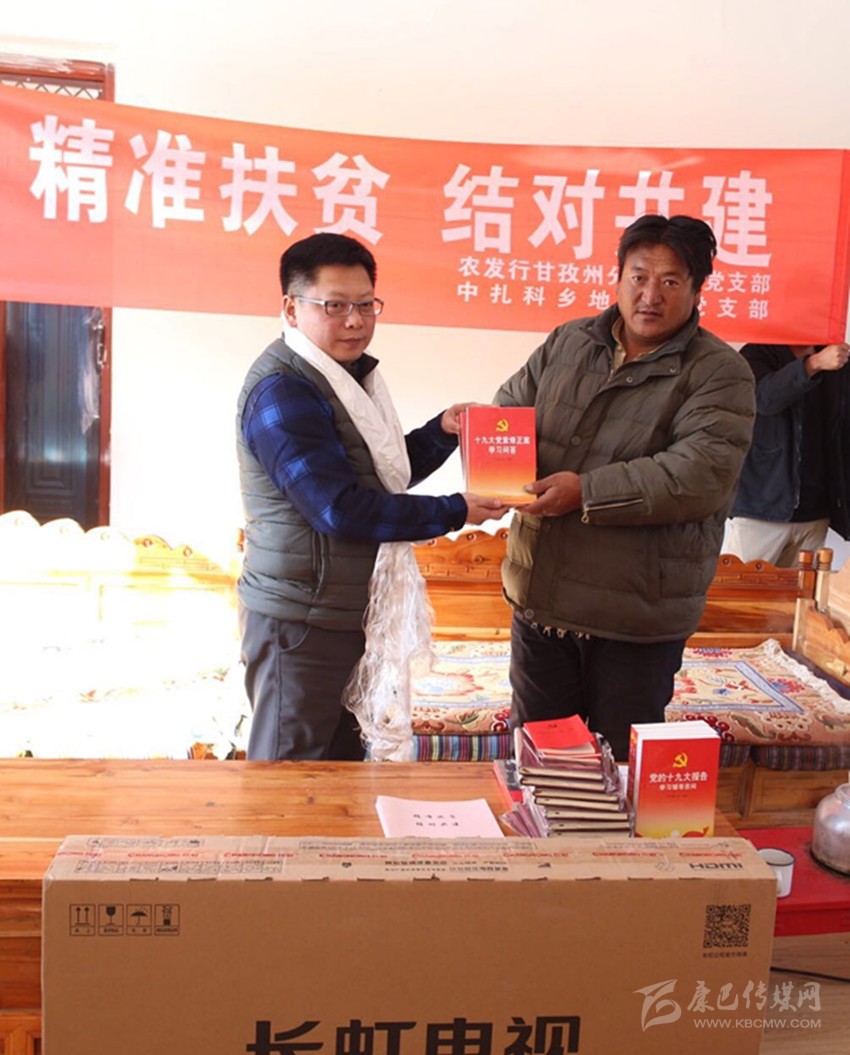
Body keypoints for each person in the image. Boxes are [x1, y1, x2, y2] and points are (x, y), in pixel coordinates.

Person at [236, 232, 508, 761]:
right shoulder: (284, 389)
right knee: (289, 774)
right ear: (291, 308)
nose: (355, 321)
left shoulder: (342, 378)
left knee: (338, 771)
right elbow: (339, 509)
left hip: (344, 611)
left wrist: (441, 432)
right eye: (334, 306)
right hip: (301, 620)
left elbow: (375, 475)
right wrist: (456, 509)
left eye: (365, 305)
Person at [494, 214, 756, 760]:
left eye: (670, 281)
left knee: (619, 771)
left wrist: (586, 491)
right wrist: (484, 447)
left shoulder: (720, 372)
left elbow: (699, 474)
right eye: (639, 277)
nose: (650, 295)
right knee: (541, 766)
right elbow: (510, 412)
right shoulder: (569, 341)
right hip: (542, 601)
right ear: (617, 278)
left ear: (697, 289)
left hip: (637, 619)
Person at [725, 341, 850, 567]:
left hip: (816, 511)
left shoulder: (837, 358)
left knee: (802, 589)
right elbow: (763, 400)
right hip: (761, 511)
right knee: (741, 587)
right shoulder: (757, 352)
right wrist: (813, 364)